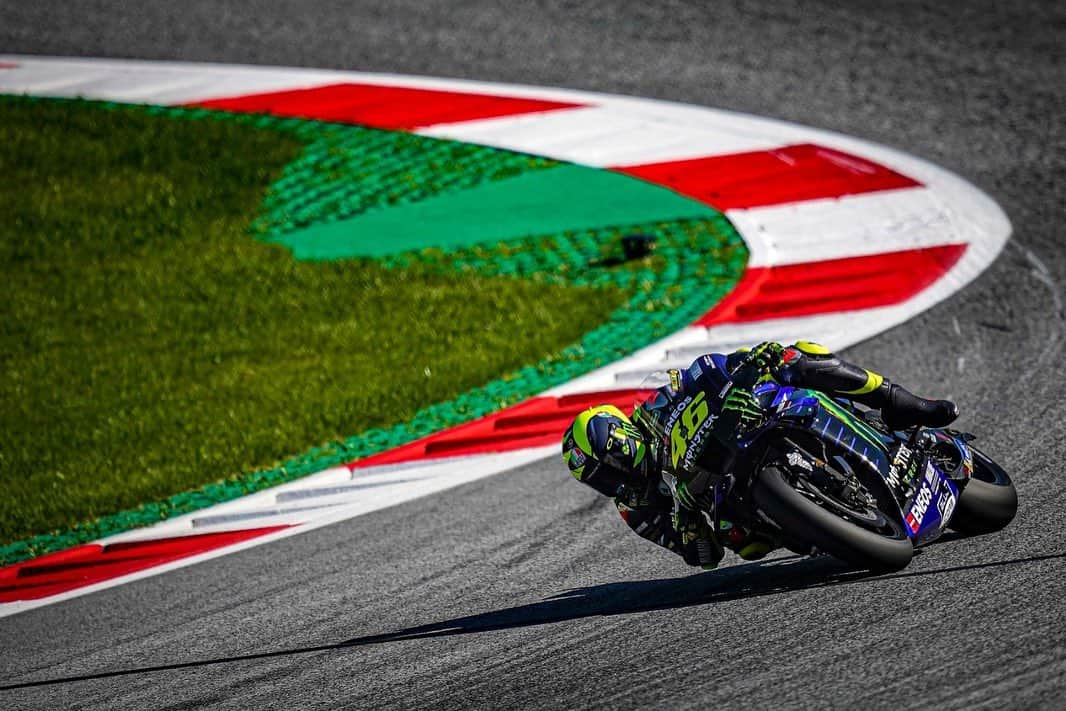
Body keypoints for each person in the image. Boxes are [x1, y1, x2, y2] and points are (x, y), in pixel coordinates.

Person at [560, 341, 958, 569]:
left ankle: (901, 401)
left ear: (619, 436)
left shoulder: (656, 407)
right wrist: (688, 526)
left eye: (607, 467)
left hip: (736, 429)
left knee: (796, 356)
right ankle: (823, 521)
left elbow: (705, 371)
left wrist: (744, 365)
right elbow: (702, 557)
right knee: (748, 546)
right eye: (600, 480)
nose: (612, 480)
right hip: (732, 503)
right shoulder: (635, 508)